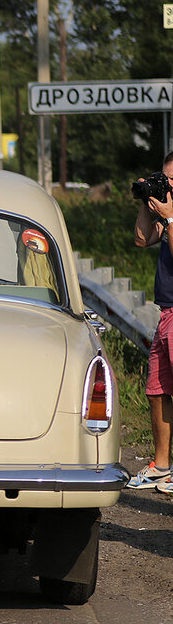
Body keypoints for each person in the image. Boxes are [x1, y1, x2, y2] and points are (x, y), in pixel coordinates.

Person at [132, 154, 173, 490]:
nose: (168, 184)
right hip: (166, 311)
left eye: (172, 179)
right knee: (157, 391)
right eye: (165, 177)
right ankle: (162, 465)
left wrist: (170, 218)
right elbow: (142, 239)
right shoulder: (166, 210)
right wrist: (148, 202)